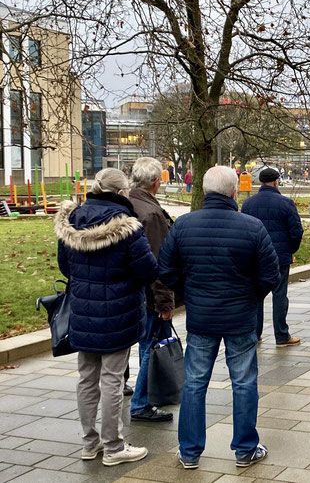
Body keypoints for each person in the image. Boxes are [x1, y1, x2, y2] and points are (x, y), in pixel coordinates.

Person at [159, 166, 280, 470]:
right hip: (240, 317)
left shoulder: (184, 225)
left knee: (195, 384)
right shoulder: (252, 227)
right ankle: (244, 449)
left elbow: (167, 271)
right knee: (244, 382)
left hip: (201, 318)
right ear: (234, 192)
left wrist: (190, 295)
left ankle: (188, 451)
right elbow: (270, 276)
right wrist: (251, 297)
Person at [54, 168, 157, 466]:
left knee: (86, 378)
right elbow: (148, 270)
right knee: (112, 380)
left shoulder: (71, 222)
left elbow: (66, 267)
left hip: (83, 311)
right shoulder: (127, 227)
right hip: (119, 311)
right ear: (122, 192)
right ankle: (113, 447)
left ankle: (90, 443)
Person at [127, 158, 177, 423]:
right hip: (149, 296)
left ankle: (143, 398)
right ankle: (141, 403)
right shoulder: (152, 214)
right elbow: (159, 262)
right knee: (151, 347)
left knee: (146, 345)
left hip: (133, 291)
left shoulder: (127, 204)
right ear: (157, 182)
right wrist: (165, 303)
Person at [242, 167, 304, 347]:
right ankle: (281, 335)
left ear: (260, 182)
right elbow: (296, 231)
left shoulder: (248, 204)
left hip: (255, 257)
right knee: (279, 295)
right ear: (276, 182)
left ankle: (255, 333)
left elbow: (244, 231)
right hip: (279, 256)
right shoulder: (286, 203)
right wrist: (290, 250)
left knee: (256, 296)